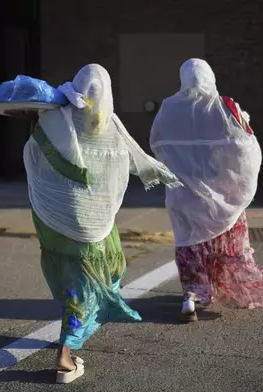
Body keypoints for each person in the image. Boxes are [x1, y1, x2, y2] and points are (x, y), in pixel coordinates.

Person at [23, 64, 182, 383]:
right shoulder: (110, 124)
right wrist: (164, 172)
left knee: (72, 284)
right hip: (95, 227)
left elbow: (33, 156)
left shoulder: (53, 119)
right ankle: (65, 359)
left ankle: (69, 341)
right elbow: (133, 160)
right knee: (98, 281)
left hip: (55, 224)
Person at [150, 58, 263, 322]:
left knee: (190, 244)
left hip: (184, 193)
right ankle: (229, 291)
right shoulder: (224, 106)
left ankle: (191, 296)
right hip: (221, 194)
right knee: (225, 244)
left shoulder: (169, 107)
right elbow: (246, 144)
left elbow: (157, 143)